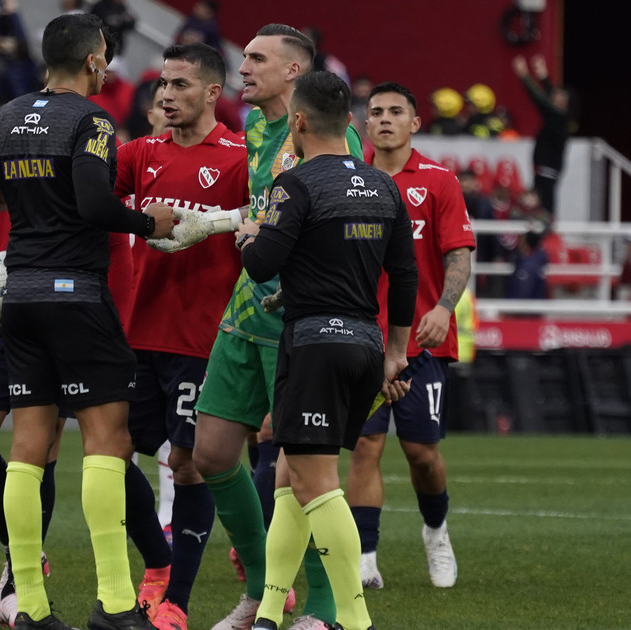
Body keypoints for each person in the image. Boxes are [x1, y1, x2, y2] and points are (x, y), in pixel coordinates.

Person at [0, 13, 174, 630]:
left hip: (18, 300)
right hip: (76, 295)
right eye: (105, 55)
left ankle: (33, 610)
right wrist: (152, 224)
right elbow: (96, 205)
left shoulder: (3, 120)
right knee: (107, 444)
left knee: (27, 449)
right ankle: (116, 605)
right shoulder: (92, 120)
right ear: (95, 59)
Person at [191, 24, 362, 630]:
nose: (244, 67)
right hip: (245, 313)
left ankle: (319, 607)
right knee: (210, 452)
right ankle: (266, 587)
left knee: (305, 474)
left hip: (302, 321)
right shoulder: (254, 127)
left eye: (257, 59)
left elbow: (344, 223)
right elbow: (262, 211)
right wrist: (208, 223)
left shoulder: (336, 141)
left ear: (294, 72)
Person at [234, 70, 418, 630]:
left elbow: (261, 264)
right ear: (353, 125)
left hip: (315, 343)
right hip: (364, 343)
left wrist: (249, 234)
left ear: (298, 121)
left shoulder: (298, 184)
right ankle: (267, 614)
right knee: (291, 477)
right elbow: (405, 275)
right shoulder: (383, 184)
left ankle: (355, 621)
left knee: (317, 483)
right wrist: (396, 351)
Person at [113, 42, 248, 630]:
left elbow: (274, 215)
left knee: (190, 464)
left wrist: (221, 224)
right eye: (162, 85)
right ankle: (158, 562)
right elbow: (89, 202)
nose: (166, 95)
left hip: (204, 339)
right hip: (136, 332)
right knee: (112, 452)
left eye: (180, 85)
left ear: (214, 93)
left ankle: (177, 603)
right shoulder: (138, 153)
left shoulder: (241, 157)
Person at [346, 82, 474, 591]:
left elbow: (458, 254)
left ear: (415, 123)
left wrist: (445, 308)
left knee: (421, 453)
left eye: (396, 111)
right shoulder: (352, 180)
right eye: (375, 112)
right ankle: (365, 557)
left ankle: (436, 532)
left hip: (423, 338)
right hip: (362, 339)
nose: (384, 119)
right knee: (365, 447)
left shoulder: (440, 182)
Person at [512, 55, 573, 218]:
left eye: (556, 99)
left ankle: (547, 236)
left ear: (563, 104)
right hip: (544, 170)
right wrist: (543, 76)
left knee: (544, 210)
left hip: (547, 171)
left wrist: (525, 77)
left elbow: (541, 102)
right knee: (538, 207)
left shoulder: (558, 117)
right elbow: (551, 98)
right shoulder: (558, 115)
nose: (552, 99)